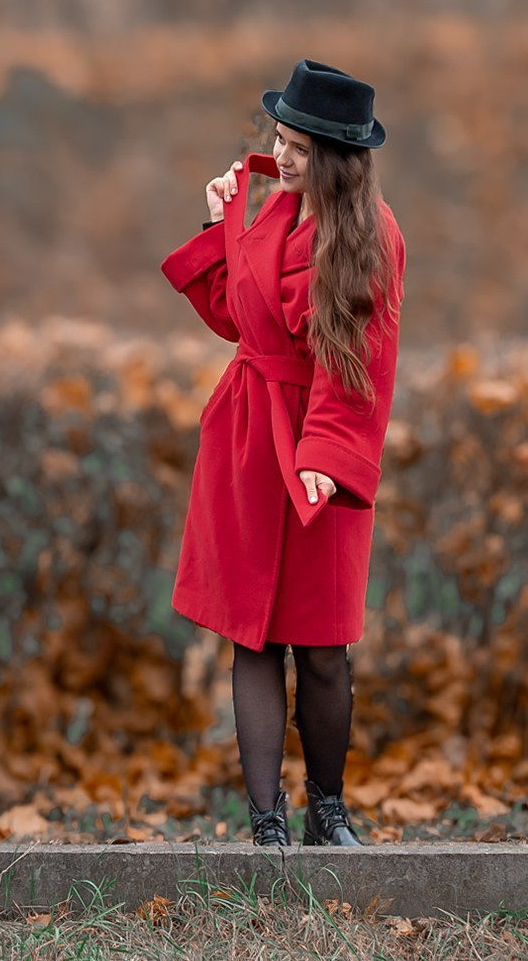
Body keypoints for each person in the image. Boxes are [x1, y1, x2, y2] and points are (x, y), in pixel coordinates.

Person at [162, 60, 405, 847]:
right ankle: (265, 823)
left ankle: (324, 807)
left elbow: (362, 359)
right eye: (279, 138)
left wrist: (327, 456)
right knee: (253, 635)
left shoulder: (372, 236)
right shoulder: (269, 211)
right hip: (245, 438)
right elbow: (243, 323)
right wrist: (214, 230)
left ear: (337, 156)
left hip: (318, 450)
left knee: (323, 645)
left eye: (298, 146)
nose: (283, 156)